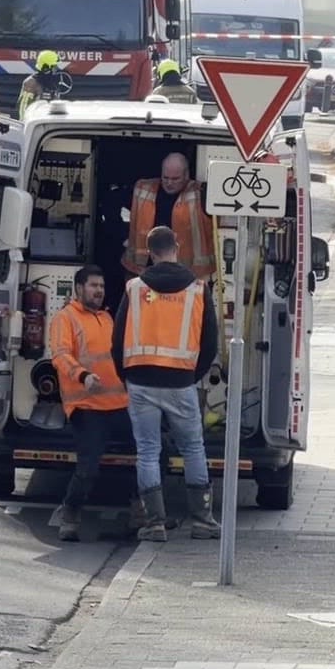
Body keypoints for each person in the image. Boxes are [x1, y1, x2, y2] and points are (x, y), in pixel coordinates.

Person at [112, 226, 220, 542]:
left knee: (147, 451)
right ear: (177, 246)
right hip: (180, 382)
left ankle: (155, 523)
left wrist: (127, 376)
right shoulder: (198, 289)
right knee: (192, 447)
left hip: (141, 381)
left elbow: (117, 341)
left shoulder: (133, 288)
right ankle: (202, 520)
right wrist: (190, 374)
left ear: (149, 252)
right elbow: (210, 343)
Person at [45, 265, 129, 542]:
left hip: (118, 404)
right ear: (78, 288)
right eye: (93, 286)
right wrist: (83, 375)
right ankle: (70, 513)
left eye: (102, 287)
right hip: (86, 407)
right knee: (88, 467)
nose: (98, 291)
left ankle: (144, 510)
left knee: (157, 449)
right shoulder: (65, 318)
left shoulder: (107, 319)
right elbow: (60, 355)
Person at [121, 152, 216, 281]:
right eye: (165, 178)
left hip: (187, 274)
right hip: (145, 269)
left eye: (175, 178)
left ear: (187, 175)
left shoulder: (200, 194)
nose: (169, 183)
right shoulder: (143, 189)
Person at [17, 50, 60, 118]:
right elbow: (23, 109)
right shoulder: (31, 83)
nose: (57, 68)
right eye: (54, 66)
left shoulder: (52, 82)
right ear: (46, 67)